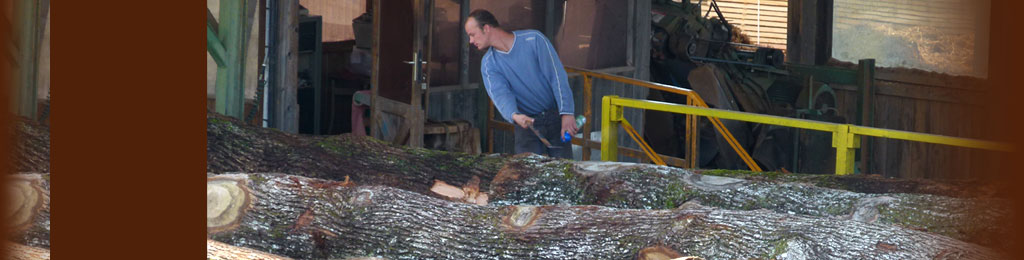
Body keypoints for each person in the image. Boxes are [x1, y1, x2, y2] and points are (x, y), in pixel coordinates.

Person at [464, 9, 577, 159]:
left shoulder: (534, 40)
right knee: (526, 175)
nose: (471, 41)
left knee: (565, 169)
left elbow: (556, 76)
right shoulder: (488, 63)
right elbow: (500, 94)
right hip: (526, 123)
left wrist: (567, 112)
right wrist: (514, 115)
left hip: (555, 116)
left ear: (486, 28)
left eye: (472, 34)